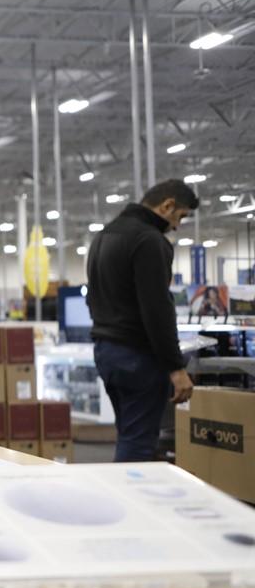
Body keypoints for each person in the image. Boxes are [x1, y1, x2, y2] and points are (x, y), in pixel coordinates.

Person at [86, 179, 198, 461]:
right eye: (180, 216)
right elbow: (157, 309)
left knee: (129, 434)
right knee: (138, 443)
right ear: (167, 205)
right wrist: (176, 368)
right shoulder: (149, 240)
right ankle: (125, 501)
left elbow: (94, 298)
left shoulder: (104, 235)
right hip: (138, 357)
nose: (177, 226)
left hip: (106, 352)